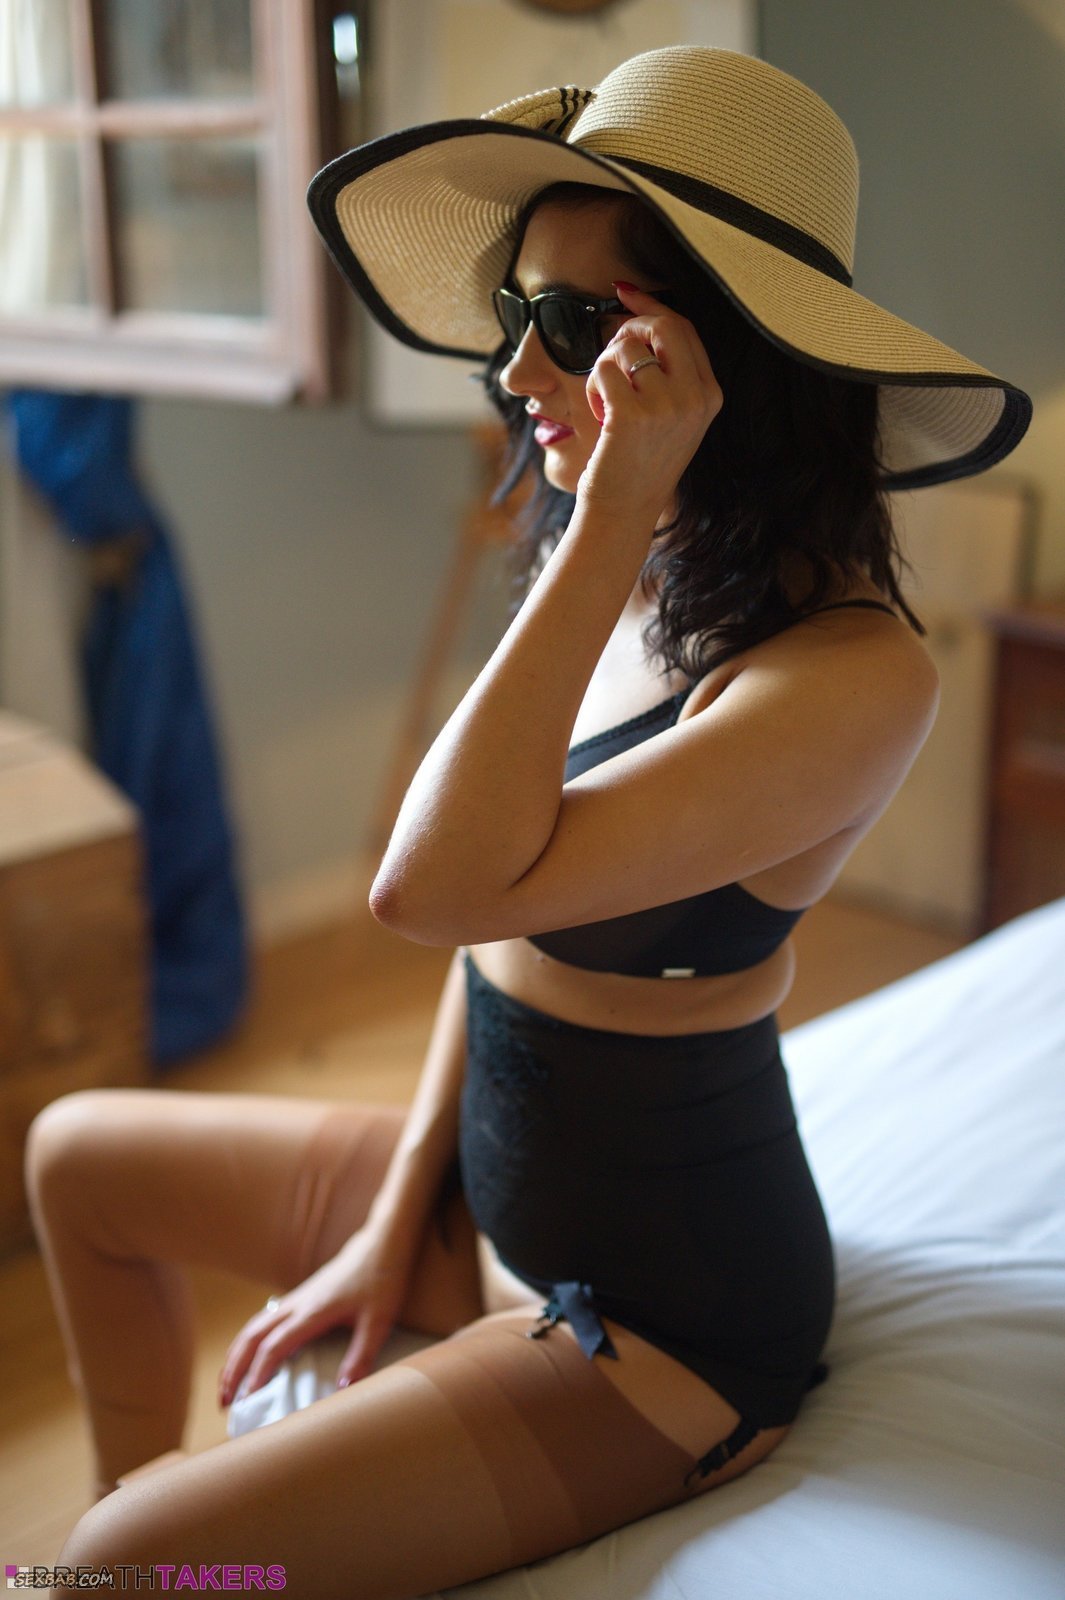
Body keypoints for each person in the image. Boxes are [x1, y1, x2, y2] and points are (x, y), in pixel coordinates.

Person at [27, 45, 1030, 1600]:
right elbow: (493, 938)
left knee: (112, 1565)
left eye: (564, 326)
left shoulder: (848, 678)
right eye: (513, 315)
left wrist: (609, 510)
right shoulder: (645, 570)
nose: (510, 374)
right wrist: (394, 1218)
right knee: (78, 1156)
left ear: (722, 354)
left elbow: (426, 888)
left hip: (658, 1327)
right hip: (481, 1207)